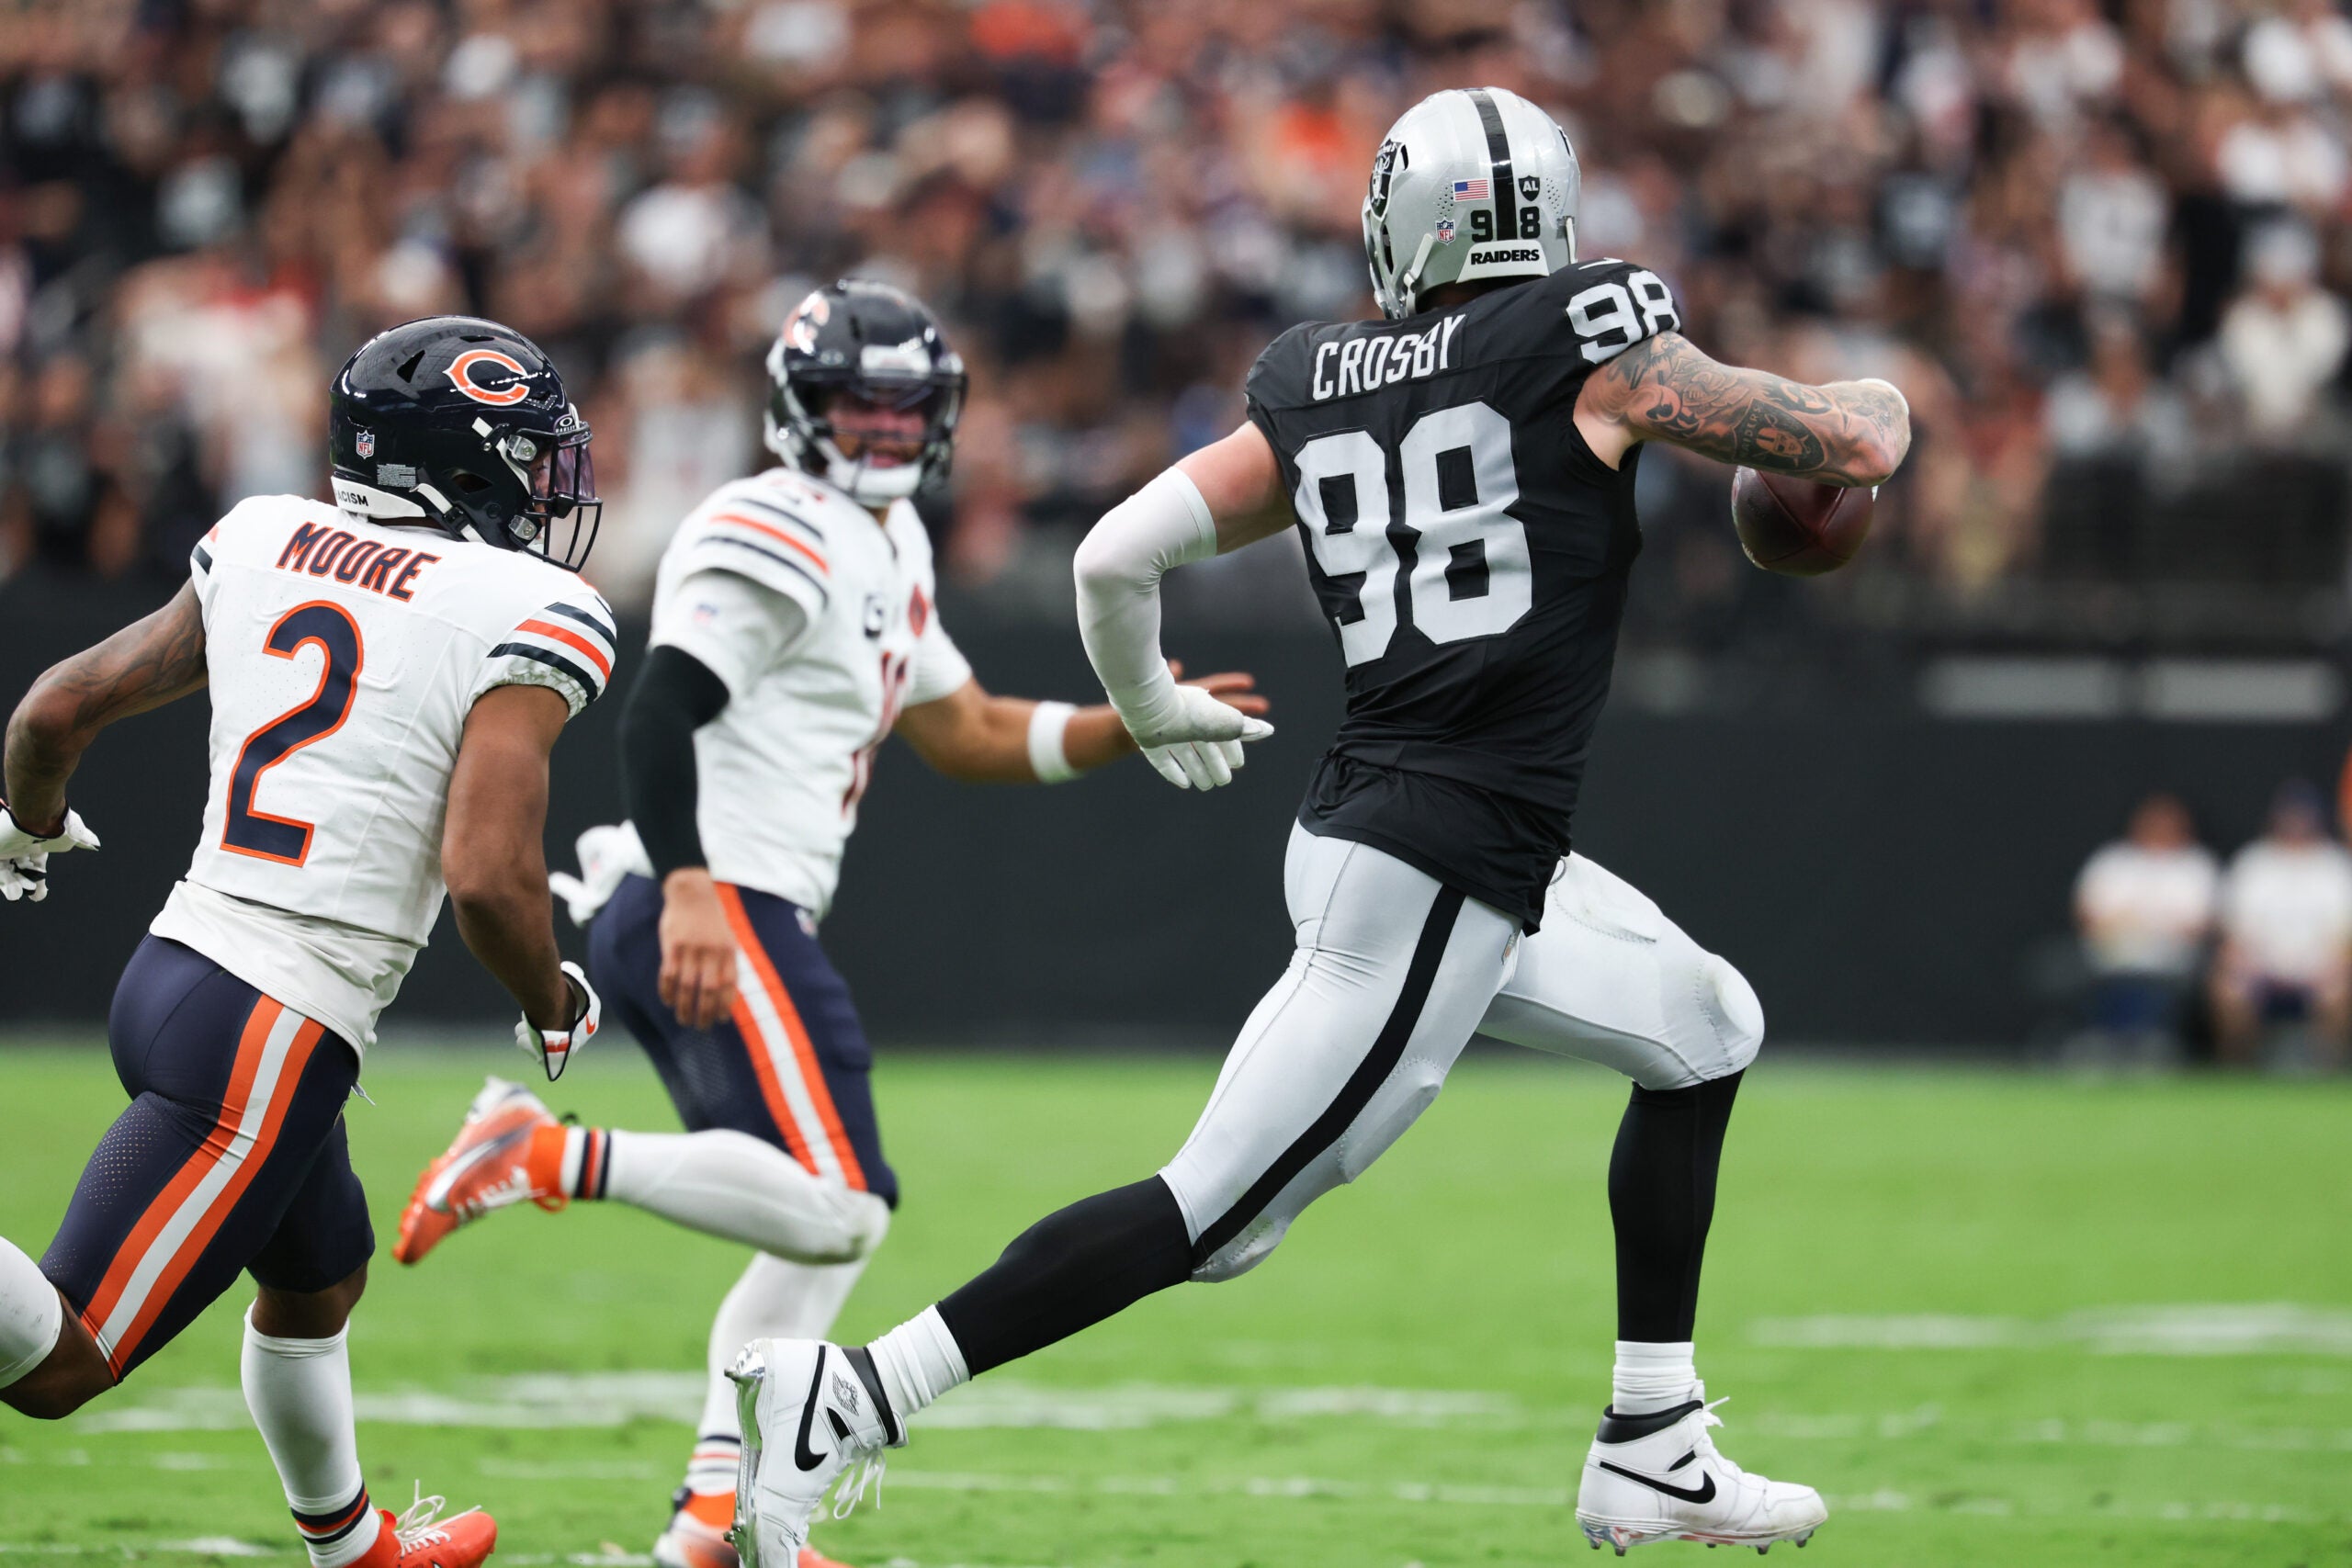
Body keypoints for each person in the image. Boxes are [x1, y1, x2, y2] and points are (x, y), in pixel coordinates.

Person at [723, 88, 1910, 1562]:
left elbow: (1115, 552)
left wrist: (1150, 705)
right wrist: (1879, 404)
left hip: (1433, 847)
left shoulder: (1321, 372)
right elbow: (1840, 446)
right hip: (1436, 868)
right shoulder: (1590, 339)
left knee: (1707, 1025)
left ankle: (1654, 1444)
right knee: (1214, 1216)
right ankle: (846, 1396)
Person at [387, 279, 1268, 1568]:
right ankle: (536, 1151)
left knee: (807, 1226)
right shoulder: (775, 522)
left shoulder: (890, 542)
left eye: (910, 406)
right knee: (844, 1203)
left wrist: (1130, 719)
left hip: (728, 896)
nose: (889, 427)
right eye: (862, 401)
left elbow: (962, 730)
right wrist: (689, 882)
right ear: (801, 407)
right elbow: (657, 711)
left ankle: (710, 1517)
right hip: (711, 893)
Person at [0, 317, 615, 1568]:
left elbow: (56, 707)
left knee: (319, 1271)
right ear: (462, 462)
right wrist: (553, 996)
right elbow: (489, 875)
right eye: (526, 456)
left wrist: (29, 824)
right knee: (61, 1363)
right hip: (270, 1029)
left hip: (178, 969)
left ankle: (351, 1543)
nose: (550, 485)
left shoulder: (266, 534)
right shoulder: (535, 604)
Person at [2211, 780, 2352, 1068]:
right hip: (2260, 970)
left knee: (2340, 992)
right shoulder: (2253, 862)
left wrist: (2329, 968)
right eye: (2290, 816)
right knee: (2228, 991)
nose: (2296, 824)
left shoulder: (2336, 865)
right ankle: (2239, 1073)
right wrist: (2251, 966)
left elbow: (2345, 938)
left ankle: (2326, 1073)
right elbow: (2232, 934)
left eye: (2302, 816)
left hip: (2320, 971)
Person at [2072, 793, 2218, 1058]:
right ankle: (2109, 1041)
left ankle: (2147, 1041)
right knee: (2117, 964)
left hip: (2170, 955)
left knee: (2153, 968)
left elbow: (2201, 924)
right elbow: (2088, 913)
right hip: (2114, 951)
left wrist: (2152, 927)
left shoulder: (2195, 866)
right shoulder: (2112, 861)